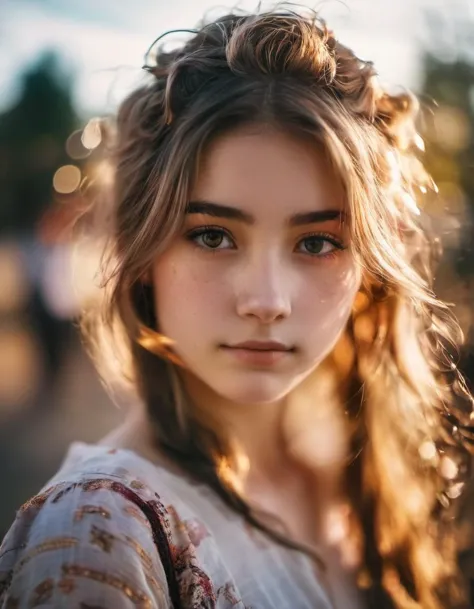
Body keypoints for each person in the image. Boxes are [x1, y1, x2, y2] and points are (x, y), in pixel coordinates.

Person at [1, 8, 473, 609]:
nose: (266, 301)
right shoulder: (99, 537)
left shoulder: (379, 477)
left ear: (371, 267)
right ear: (140, 246)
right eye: (212, 235)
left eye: (318, 242)